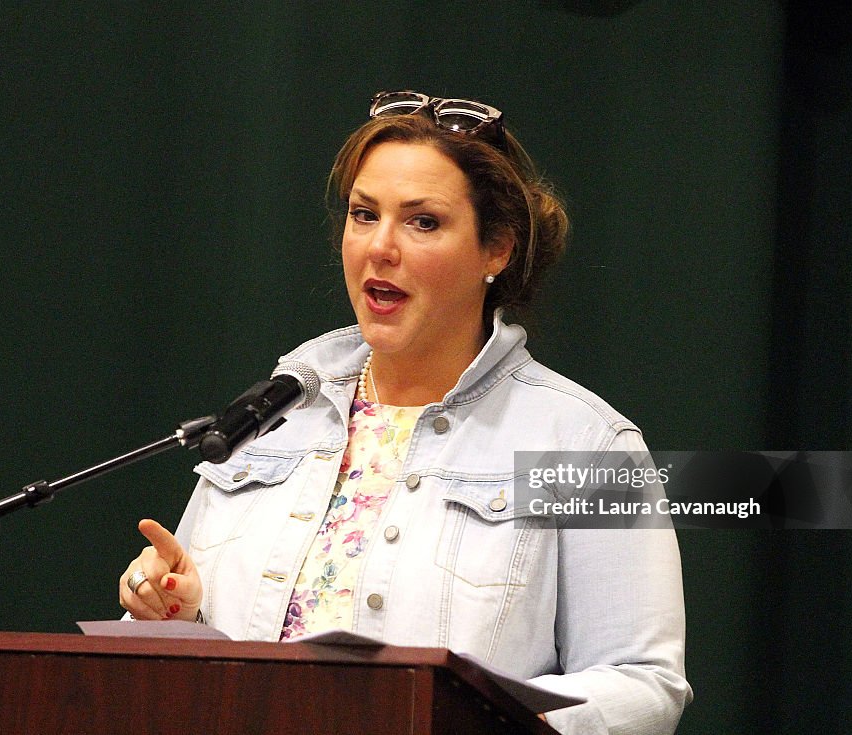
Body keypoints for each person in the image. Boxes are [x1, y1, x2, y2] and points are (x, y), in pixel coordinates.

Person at [118, 90, 692, 734]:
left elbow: (643, 685)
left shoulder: (585, 443)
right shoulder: (272, 416)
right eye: (364, 214)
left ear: (497, 249)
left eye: (423, 222)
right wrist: (178, 620)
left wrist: (473, 722)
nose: (379, 247)